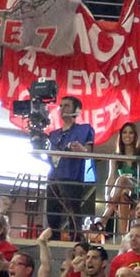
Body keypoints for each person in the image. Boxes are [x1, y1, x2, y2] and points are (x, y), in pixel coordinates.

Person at [43, 98, 97, 235]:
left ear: (76, 110)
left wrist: (81, 150)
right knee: (52, 214)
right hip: (53, 177)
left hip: (72, 177)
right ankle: (53, 239)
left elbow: (89, 154)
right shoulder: (53, 134)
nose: (62, 108)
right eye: (61, 106)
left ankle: (75, 239)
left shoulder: (85, 129)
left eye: (67, 105)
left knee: (73, 213)